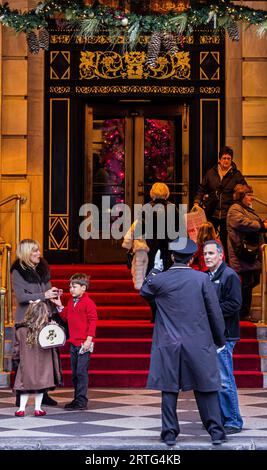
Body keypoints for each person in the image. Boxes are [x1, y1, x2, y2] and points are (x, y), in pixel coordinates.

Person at [140, 237, 227, 446]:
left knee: (169, 388)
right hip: (198, 341)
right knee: (206, 387)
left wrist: (154, 271)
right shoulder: (201, 279)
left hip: (169, 341)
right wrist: (219, 339)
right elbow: (214, 312)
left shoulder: (161, 280)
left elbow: (145, 291)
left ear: (171, 256)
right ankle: (215, 432)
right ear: (191, 259)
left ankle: (169, 433)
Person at [11, 239, 60, 407]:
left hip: (43, 318)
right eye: (35, 251)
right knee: (24, 358)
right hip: (25, 320)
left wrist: (53, 303)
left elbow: (48, 293)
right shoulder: (18, 271)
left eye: (38, 250)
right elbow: (22, 297)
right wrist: (43, 295)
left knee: (44, 358)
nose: (39, 254)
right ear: (26, 253)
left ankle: (44, 393)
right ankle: (20, 394)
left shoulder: (43, 268)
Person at [203, 240, 243, 434]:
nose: (207, 257)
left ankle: (234, 420)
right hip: (210, 335)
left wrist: (211, 310)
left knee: (225, 380)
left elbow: (235, 305)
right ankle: (220, 418)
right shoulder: (205, 277)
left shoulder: (230, 276)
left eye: (211, 253)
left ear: (221, 255)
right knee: (215, 379)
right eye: (205, 254)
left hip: (225, 336)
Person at [52, 273, 98, 411]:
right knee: (75, 374)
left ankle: (81, 400)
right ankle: (76, 398)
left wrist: (89, 339)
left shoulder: (88, 303)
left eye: (74, 286)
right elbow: (66, 316)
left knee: (81, 373)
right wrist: (60, 306)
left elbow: (93, 321)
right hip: (74, 343)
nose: (71, 289)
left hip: (84, 344)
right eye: (70, 286)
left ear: (83, 288)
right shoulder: (71, 302)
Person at [193, 146, 246, 259]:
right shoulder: (211, 173)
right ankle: (206, 260)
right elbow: (202, 188)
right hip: (212, 211)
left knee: (226, 240)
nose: (226, 161)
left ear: (231, 160)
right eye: (224, 158)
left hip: (228, 213)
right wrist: (197, 202)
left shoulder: (236, 175)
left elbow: (244, 191)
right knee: (207, 238)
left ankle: (224, 262)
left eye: (229, 158)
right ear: (219, 160)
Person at [12, 301, 62, 417]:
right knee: (41, 385)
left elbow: (16, 348)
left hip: (26, 363)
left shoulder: (21, 330)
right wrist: (55, 327)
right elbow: (57, 341)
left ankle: (21, 409)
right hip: (44, 363)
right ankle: (38, 409)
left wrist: (16, 358)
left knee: (24, 386)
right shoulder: (48, 329)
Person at [227, 184, 267, 320]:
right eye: (249, 195)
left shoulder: (245, 208)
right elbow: (243, 223)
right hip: (242, 255)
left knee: (252, 281)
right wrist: (261, 225)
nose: (252, 197)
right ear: (241, 196)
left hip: (250, 255)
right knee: (246, 285)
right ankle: (242, 314)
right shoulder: (234, 209)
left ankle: (243, 313)